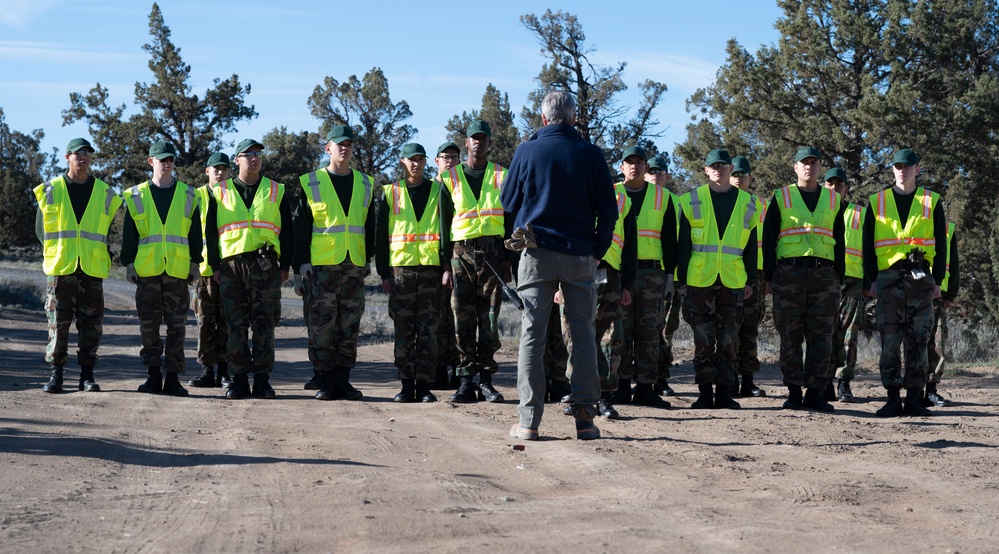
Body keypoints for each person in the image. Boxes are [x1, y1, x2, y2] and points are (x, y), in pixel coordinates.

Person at [501, 90, 618, 441]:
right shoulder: (591, 154)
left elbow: (507, 202)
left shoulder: (527, 150)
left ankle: (528, 422)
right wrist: (597, 251)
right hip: (581, 255)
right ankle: (585, 420)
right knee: (583, 334)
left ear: (543, 119)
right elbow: (609, 212)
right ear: (573, 118)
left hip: (535, 254)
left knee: (532, 336)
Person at [204, 138, 293, 399]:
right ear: (237, 160)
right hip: (232, 267)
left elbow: (288, 232)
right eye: (248, 155)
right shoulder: (219, 192)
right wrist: (215, 267)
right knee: (235, 325)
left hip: (266, 267)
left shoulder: (276, 190)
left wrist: (285, 265)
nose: (254, 159)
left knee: (265, 324)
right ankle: (239, 380)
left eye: (258, 154)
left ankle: (263, 380)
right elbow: (210, 233)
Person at [34, 138, 122, 393]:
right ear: (67, 158)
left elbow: (106, 230)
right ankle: (56, 375)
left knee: (91, 325)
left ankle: (87, 376)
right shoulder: (51, 190)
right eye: (77, 153)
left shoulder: (105, 193)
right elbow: (41, 230)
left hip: (91, 268)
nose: (82, 157)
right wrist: (58, 251)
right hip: (61, 267)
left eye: (87, 153)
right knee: (57, 324)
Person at [864, 149, 946, 417]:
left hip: (921, 279)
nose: (902, 170)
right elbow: (866, 245)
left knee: (919, 340)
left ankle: (913, 398)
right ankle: (891, 398)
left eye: (907, 166)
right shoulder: (877, 202)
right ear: (893, 170)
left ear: (917, 169)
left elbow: (942, 244)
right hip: (887, 279)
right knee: (889, 341)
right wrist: (871, 280)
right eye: (898, 166)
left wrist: (939, 280)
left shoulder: (931, 201)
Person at [762, 146, 845, 413]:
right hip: (789, 275)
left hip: (825, 275)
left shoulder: (833, 201)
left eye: (814, 162)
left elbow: (840, 241)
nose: (809, 167)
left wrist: (838, 278)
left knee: (822, 337)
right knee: (790, 335)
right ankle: (794, 391)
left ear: (820, 168)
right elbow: (769, 239)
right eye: (804, 163)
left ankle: (816, 392)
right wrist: (769, 277)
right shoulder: (781, 197)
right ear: (795, 167)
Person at [296, 125, 375, 401]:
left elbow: (370, 224)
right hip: (322, 267)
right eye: (338, 144)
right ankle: (325, 380)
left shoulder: (365, 182)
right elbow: (302, 227)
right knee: (322, 326)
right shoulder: (311, 182)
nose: (344, 148)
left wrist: (368, 259)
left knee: (349, 326)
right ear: (327, 148)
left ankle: (344, 381)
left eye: (349, 144)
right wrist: (302, 263)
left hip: (353, 265)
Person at [677, 149, 758, 409]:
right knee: (703, 340)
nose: (719, 169)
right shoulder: (690, 200)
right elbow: (682, 245)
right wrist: (681, 281)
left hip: (733, 281)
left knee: (728, 340)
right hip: (699, 281)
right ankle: (704, 392)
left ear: (731, 168)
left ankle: (724, 393)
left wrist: (750, 281)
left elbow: (751, 248)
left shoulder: (749, 203)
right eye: (714, 165)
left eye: (724, 165)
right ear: (706, 170)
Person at [122, 141, 203, 397]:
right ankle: (153, 376)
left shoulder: (189, 195)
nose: (166, 163)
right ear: (151, 162)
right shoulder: (135, 195)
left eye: (170, 159)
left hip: (178, 271)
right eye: (161, 159)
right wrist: (129, 263)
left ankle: (174, 378)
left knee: (177, 327)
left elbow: (194, 233)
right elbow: (129, 233)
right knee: (149, 326)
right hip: (147, 271)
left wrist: (194, 262)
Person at [440, 120, 511, 404]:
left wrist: (508, 259)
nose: (478, 143)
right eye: (473, 138)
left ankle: (487, 382)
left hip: (493, 255)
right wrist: (445, 264)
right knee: (462, 319)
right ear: (466, 143)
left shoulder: (502, 175)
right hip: (461, 256)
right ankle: (466, 381)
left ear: (489, 143)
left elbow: (512, 218)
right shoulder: (449, 178)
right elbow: (442, 224)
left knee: (490, 319)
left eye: (483, 138)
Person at [375, 143, 452, 403]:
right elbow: (380, 237)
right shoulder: (390, 193)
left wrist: (445, 266)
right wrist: (384, 273)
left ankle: (425, 386)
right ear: (402, 162)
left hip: (431, 272)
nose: (416, 164)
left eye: (420, 159)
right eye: (411, 160)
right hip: (401, 273)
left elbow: (445, 231)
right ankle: (406, 385)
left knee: (429, 331)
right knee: (403, 331)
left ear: (426, 162)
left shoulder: (438, 190)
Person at [560, 175, 637, 419]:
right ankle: (578, 394)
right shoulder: (570, 195)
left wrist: (627, 285)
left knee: (609, 339)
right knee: (574, 336)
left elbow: (630, 246)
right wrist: (555, 284)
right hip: (573, 274)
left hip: (609, 277)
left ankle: (605, 397)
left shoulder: (622, 202)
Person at [610, 146, 675, 410]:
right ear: (622, 166)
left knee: (649, 332)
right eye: (629, 162)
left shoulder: (663, 197)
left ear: (646, 167)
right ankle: (621, 386)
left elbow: (671, 239)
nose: (635, 166)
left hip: (651, 274)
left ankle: (646, 388)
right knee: (620, 331)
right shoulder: (611, 193)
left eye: (640, 162)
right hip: (619, 272)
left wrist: (670, 277)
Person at [188, 152, 232, 389]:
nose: (219, 172)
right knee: (204, 321)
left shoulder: (234, 195)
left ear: (229, 172)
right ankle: (207, 370)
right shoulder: (194, 196)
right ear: (207, 171)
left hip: (229, 270)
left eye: (224, 168)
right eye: (215, 168)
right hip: (203, 270)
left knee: (226, 321)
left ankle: (225, 371)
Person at [824, 167, 864, 402]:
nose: (834, 188)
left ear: (846, 188)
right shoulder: (818, 212)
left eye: (839, 184)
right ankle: (824, 382)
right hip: (825, 280)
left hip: (852, 281)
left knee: (849, 335)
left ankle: (844, 383)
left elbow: (869, 250)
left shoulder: (860, 213)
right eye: (830, 184)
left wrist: (869, 282)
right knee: (824, 333)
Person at [729, 155, 767, 398]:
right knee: (730, 327)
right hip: (729, 271)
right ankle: (729, 379)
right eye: (735, 174)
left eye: (742, 175)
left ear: (750, 178)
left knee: (750, 328)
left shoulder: (762, 206)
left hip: (757, 275)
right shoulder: (720, 202)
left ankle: (748, 381)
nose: (738, 179)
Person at [647, 154, 680, 397]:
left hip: (669, 277)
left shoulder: (676, 203)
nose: (656, 175)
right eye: (653, 171)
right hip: (638, 274)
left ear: (667, 177)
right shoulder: (626, 195)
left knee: (664, 331)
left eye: (661, 172)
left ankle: (660, 378)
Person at [432, 142, 462, 389]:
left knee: (457, 317)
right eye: (446, 157)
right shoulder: (429, 188)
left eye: (454, 157)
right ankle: (438, 369)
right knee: (436, 318)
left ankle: (458, 369)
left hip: (459, 259)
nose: (450, 161)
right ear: (436, 161)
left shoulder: (460, 187)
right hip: (431, 262)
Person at [925, 220, 958, 407]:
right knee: (912, 341)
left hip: (938, 294)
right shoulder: (909, 222)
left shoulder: (947, 228)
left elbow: (953, 263)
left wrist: (951, 293)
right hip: (911, 291)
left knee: (937, 344)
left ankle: (931, 390)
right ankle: (912, 390)